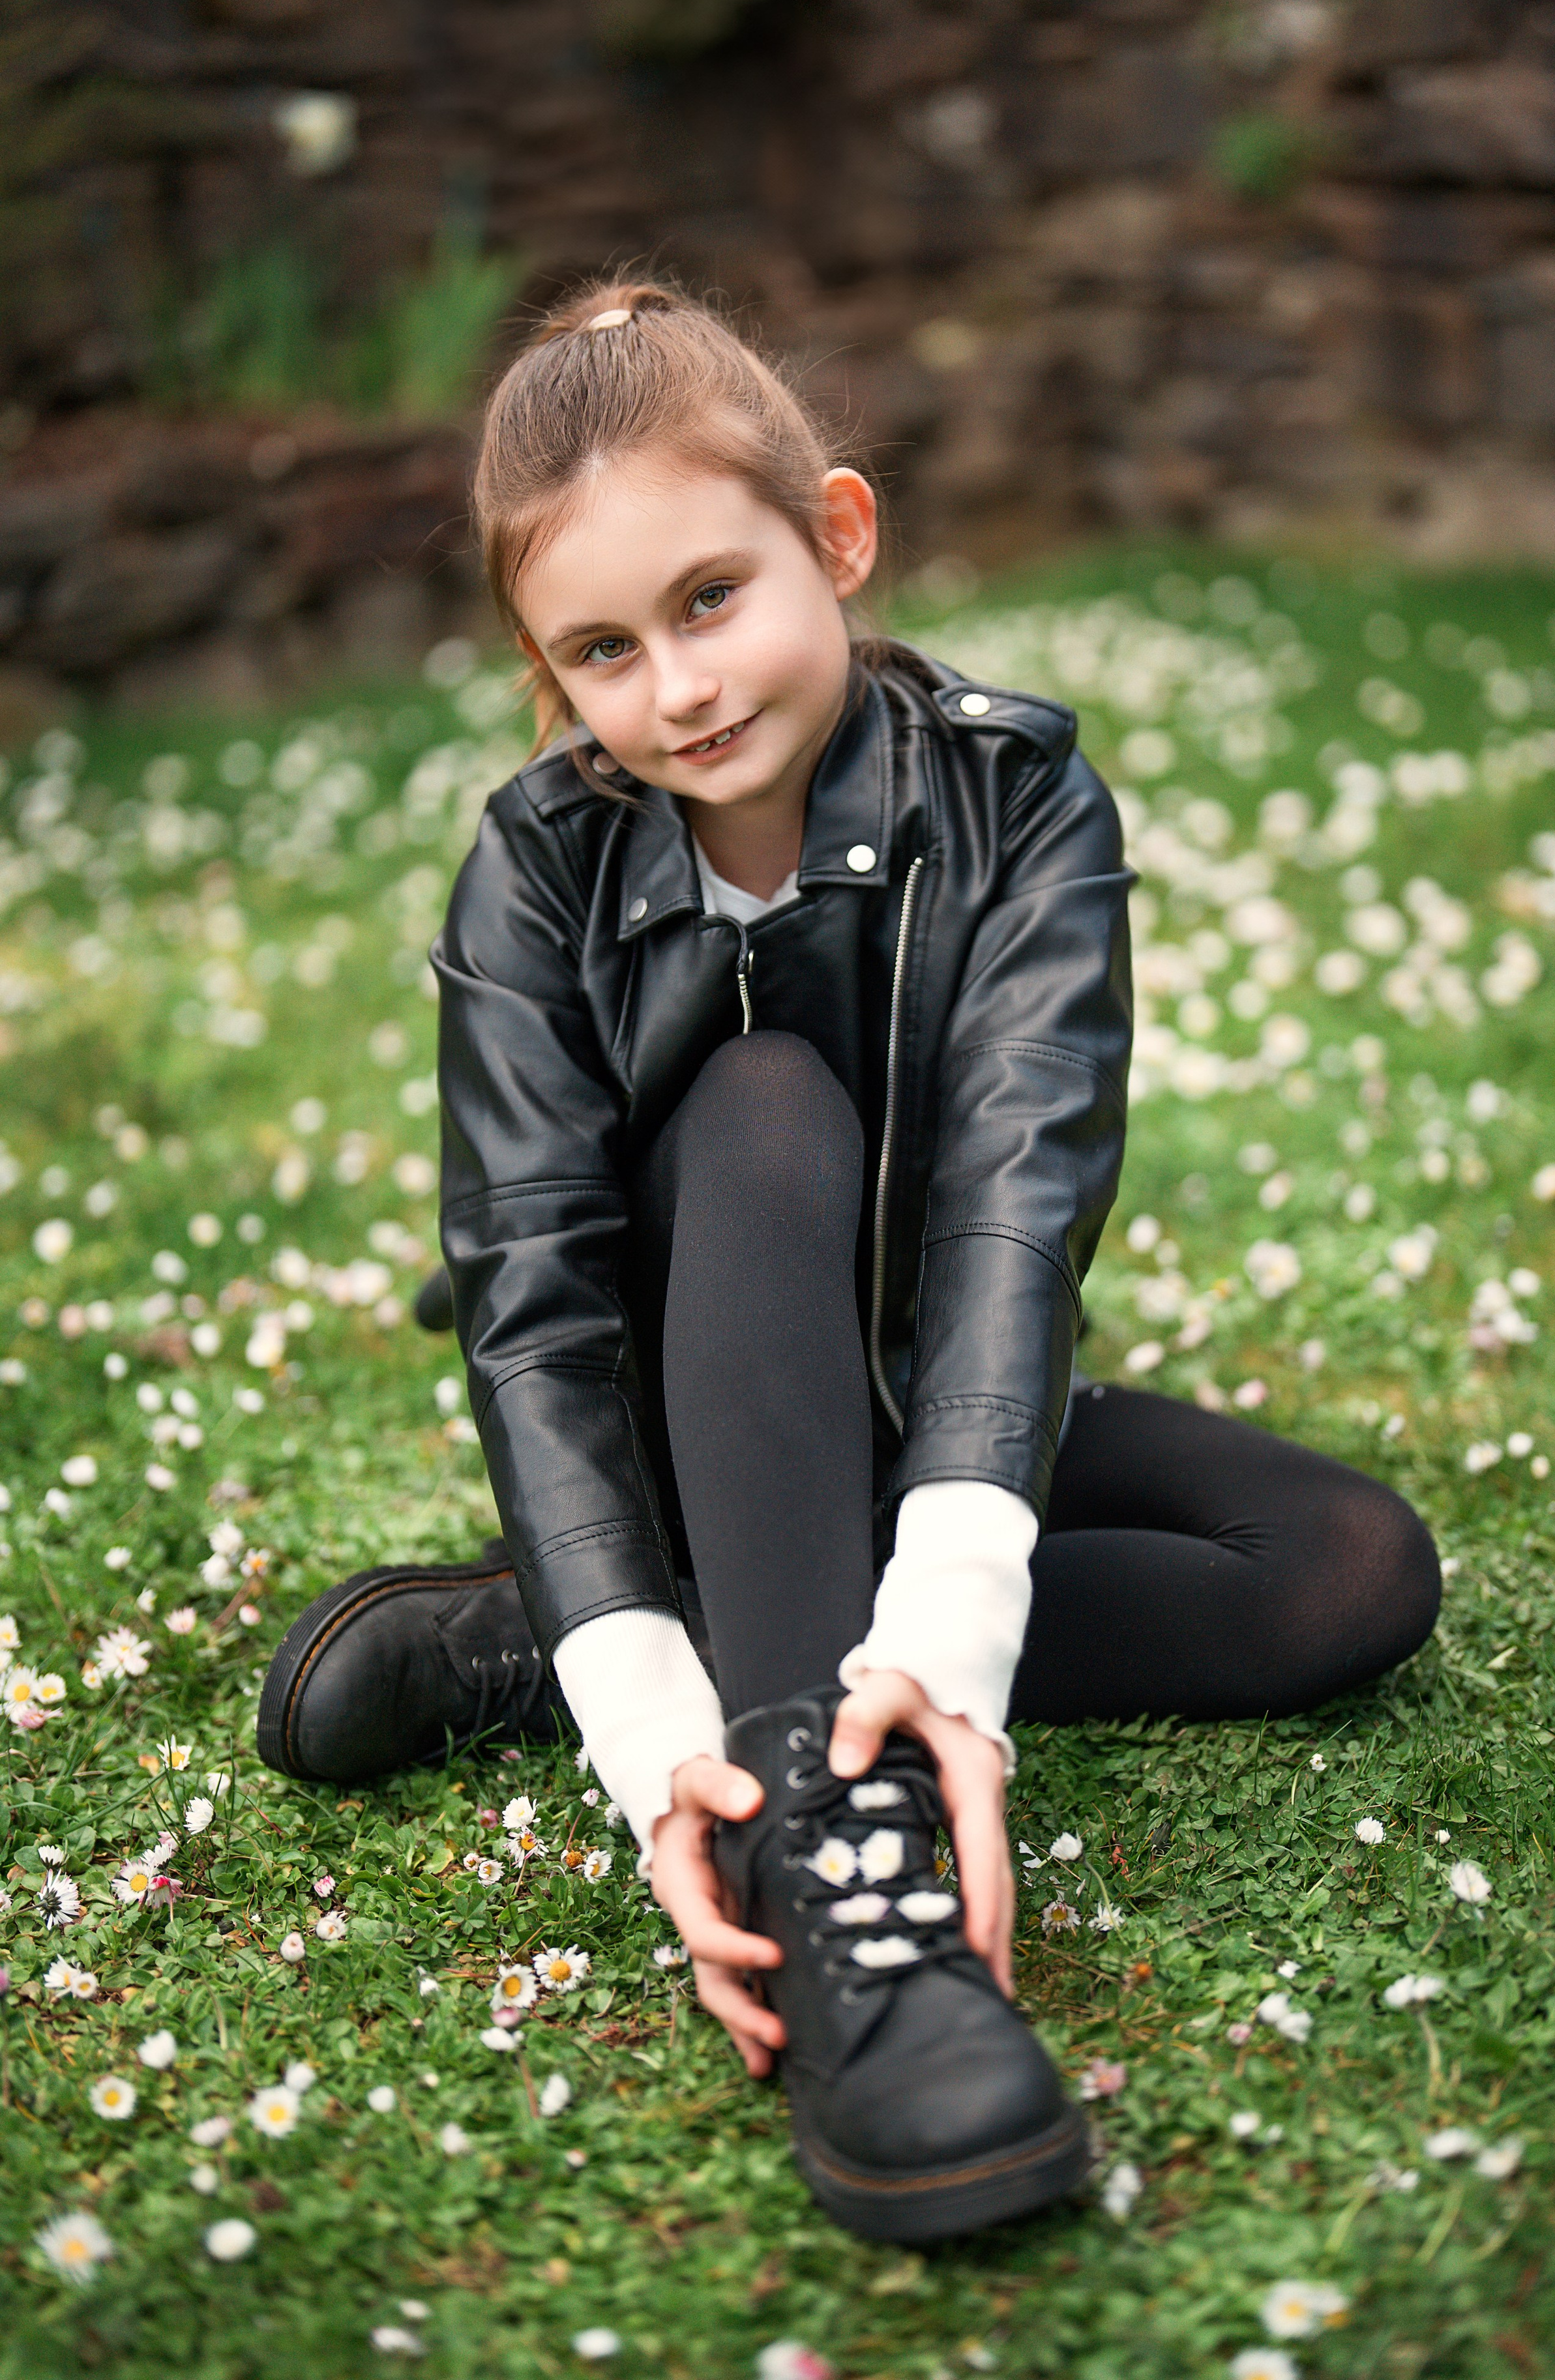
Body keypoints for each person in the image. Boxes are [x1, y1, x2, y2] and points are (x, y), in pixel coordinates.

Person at [258, 282, 1442, 2241]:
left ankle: (570, 1647)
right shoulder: (537, 866)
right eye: (603, 652)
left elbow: (1017, 1205)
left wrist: (958, 1632)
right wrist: (660, 1750)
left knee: (1348, 1570)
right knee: (763, 1101)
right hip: (683, 1412)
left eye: (714, 597)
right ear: (552, 677)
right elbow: (537, 1300)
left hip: (920, 1400)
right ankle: (848, 1877)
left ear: (841, 534)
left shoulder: (1020, 803)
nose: (680, 690)